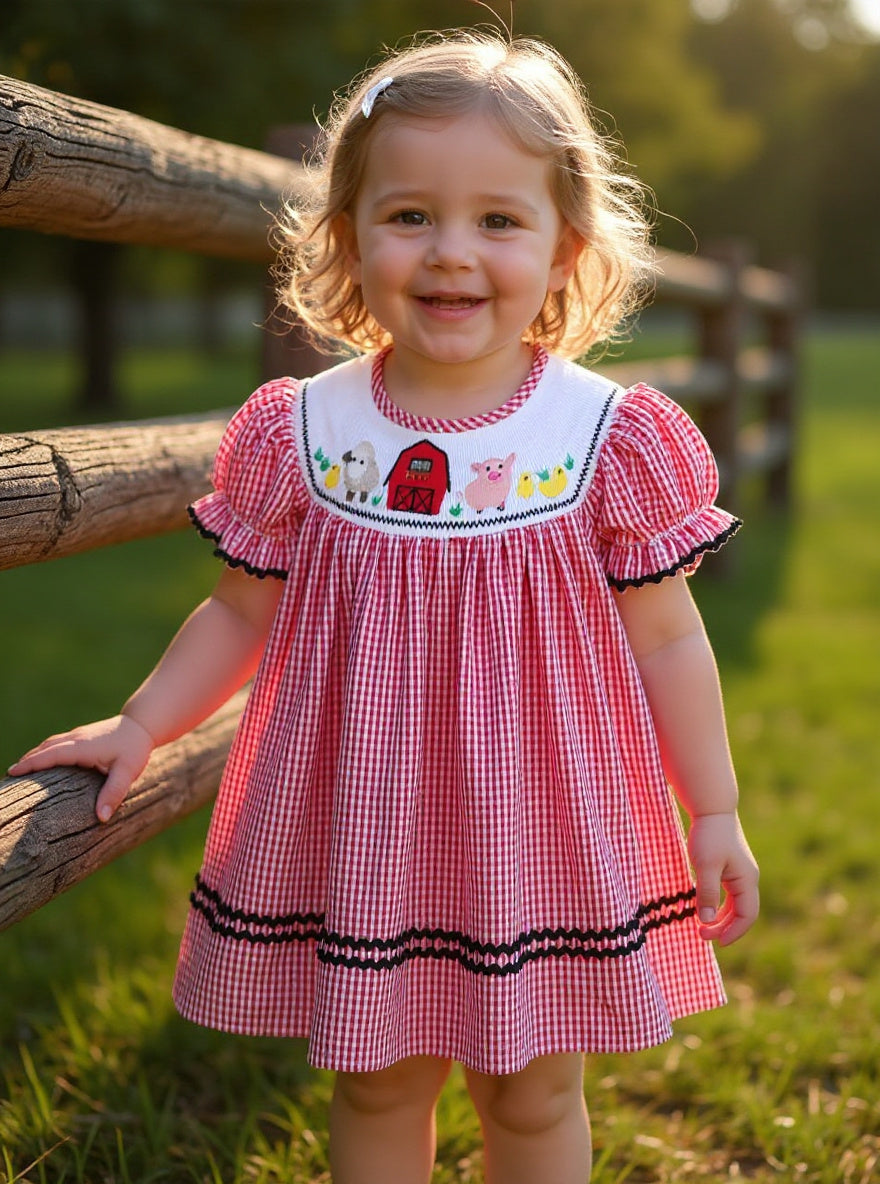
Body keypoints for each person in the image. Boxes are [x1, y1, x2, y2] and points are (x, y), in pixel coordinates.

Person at [9, 29, 759, 1184]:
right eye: (410, 214)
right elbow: (238, 613)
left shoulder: (604, 436)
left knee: (531, 1087)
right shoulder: (304, 429)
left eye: (498, 219)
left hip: (544, 821)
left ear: (565, 244)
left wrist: (712, 808)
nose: (451, 251)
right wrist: (141, 722)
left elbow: (666, 639)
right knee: (377, 1076)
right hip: (368, 818)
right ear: (350, 235)